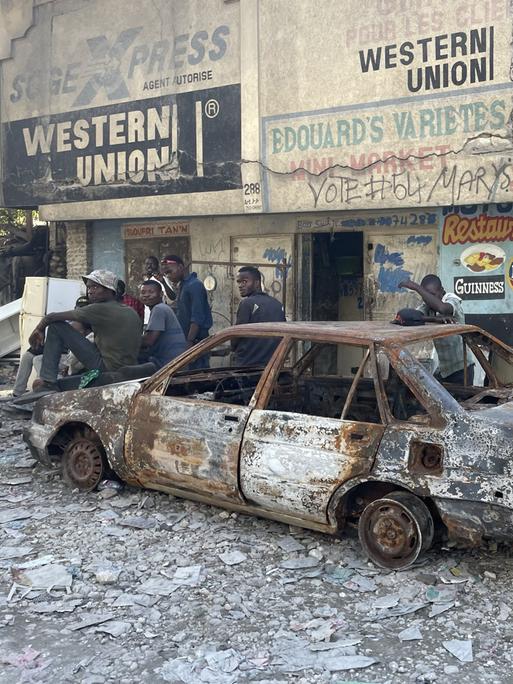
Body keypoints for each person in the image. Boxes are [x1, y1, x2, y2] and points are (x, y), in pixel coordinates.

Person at [21, 270, 142, 399]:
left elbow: (51, 317)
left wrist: (38, 329)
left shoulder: (100, 308)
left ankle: (48, 382)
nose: (90, 291)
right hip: (130, 368)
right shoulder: (130, 311)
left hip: (107, 369)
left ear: (110, 290)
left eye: (95, 287)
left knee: (56, 327)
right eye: (89, 287)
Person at [399, 274, 473, 384]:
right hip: (444, 370)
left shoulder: (452, 299)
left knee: (460, 401)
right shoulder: (428, 305)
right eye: (426, 295)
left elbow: (442, 308)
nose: (429, 299)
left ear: (442, 291)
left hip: (462, 369)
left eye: (432, 295)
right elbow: (407, 316)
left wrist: (417, 287)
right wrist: (434, 318)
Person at [10, 295, 89, 398]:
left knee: (38, 359)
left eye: (84, 308)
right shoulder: (69, 323)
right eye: (79, 308)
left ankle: (46, 386)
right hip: (60, 354)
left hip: (73, 357)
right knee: (28, 356)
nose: (80, 311)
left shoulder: (89, 324)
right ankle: (17, 394)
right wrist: (34, 349)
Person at [160, 255, 213, 364]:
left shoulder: (194, 285)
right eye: (166, 274)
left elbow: (197, 317)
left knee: (197, 375)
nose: (168, 276)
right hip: (187, 341)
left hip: (196, 342)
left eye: (169, 271)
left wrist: (189, 342)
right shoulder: (184, 285)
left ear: (180, 267)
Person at [231, 266, 286, 367]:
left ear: (256, 283)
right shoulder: (277, 304)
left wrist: (233, 348)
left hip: (247, 368)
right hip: (272, 367)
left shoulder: (247, 303)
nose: (240, 285)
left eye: (245, 281)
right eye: (239, 282)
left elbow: (236, 335)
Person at [139, 280, 187, 368]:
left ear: (161, 294)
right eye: (143, 292)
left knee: (126, 371)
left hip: (167, 364)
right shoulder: (163, 308)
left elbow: (149, 340)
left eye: (151, 292)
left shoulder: (159, 309)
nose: (146, 295)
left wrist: (129, 341)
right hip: (175, 361)